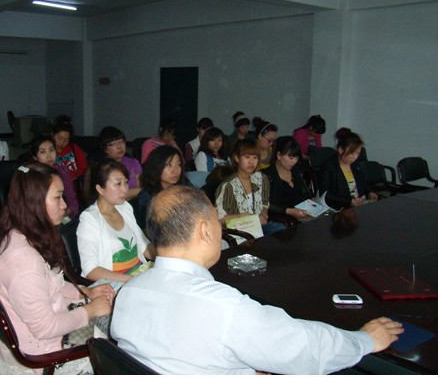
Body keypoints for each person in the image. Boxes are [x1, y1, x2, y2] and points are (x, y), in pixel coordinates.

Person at [110, 185, 404, 375]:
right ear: (205, 230)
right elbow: (304, 348)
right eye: (216, 220)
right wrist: (364, 340)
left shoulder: (129, 291)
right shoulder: (225, 308)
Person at [0, 162, 115, 375]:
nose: (64, 205)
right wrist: (90, 310)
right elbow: (46, 328)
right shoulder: (24, 264)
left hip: (43, 332)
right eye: (57, 197)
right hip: (42, 356)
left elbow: (49, 281)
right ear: (34, 203)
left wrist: (84, 292)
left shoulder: (21, 233)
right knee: (118, 347)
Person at [77, 159, 155, 283]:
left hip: (139, 273)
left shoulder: (125, 208)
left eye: (126, 182)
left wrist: (167, 258)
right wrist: (132, 280)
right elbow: (90, 270)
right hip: (117, 283)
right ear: (100, 189)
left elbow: (143, 245)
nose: (125, 189)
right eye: (118, 184)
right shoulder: (90, 219)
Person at [215, 139, 285, 236]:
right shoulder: (228, 186)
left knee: (279, 228)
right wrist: (241, 216)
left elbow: (265, 204)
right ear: (237, 158)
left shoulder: (261, 178)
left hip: (259, 227)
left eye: (255, 157)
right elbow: (220, 219)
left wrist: (263, 215)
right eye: (247, 157)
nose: (251, 162)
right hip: (239, 231)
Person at [317, 128, 378, 210]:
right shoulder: (329, 167)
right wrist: (349, 201)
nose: (355, 157)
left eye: (358, 153)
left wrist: (370, 192)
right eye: (352, 153)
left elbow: (363, 181)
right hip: (340, 207)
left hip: (359, 203)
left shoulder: (355, 164)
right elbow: (325, 194)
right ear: (341, 150)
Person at [262, 136, 314, 222]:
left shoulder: (295, 172)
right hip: (278, 219)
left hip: (299, 214)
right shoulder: (266, 175)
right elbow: (264, 204)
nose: (294, 161)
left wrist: (311, 201)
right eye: (291, 158)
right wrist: (289, 211)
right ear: (279, 155)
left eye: (296, 158)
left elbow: (304, 193)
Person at [136, 145, 188, 230]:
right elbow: (146, 229)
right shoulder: (146, 196)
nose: (175, 170)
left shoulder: (184, 185)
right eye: (169, 165)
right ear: (157, 167)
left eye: (178, 164)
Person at [29, 135, 79, 219]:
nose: (49, 156)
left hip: (62, 213)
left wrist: (70, 212)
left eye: (51, 150)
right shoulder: (31, 175)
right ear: (35, 157)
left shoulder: (62, 170)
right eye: (43, 152)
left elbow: (71, 197)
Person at [97, 126, 143, 201]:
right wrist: (136, 192)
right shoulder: (102, 167)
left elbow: (140, 188)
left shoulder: (133, 162)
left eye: (121, 142)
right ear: (105, 149)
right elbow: (110, 194)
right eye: (113, 144)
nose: (119, 147)